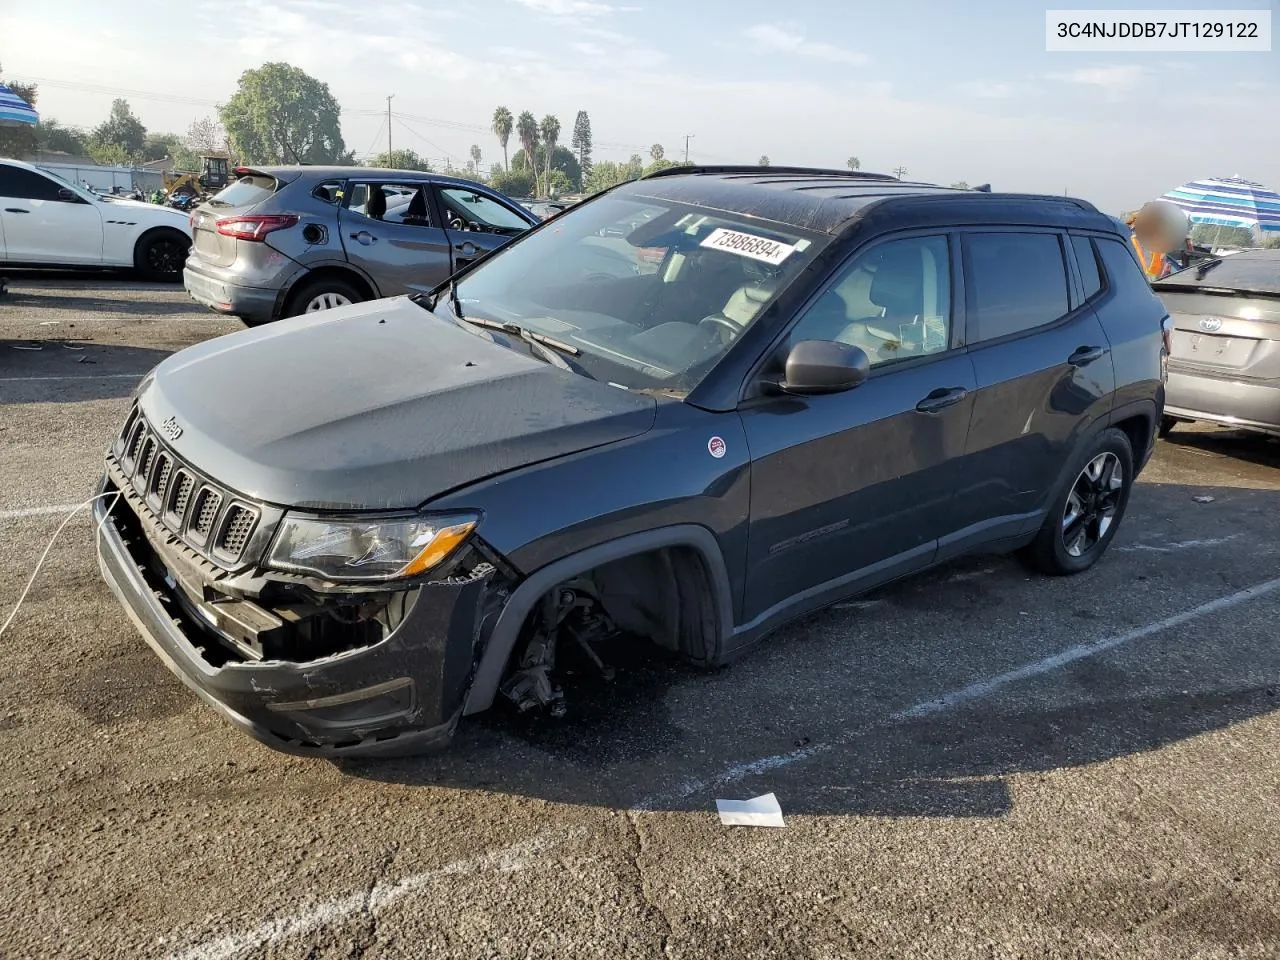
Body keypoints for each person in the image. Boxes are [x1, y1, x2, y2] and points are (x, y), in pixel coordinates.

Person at [1125, 200, 1190, 282]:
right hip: (1141, 277)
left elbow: (1161, 259)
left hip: (1151, 278)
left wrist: (1164, 271)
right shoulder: (1134, 235)